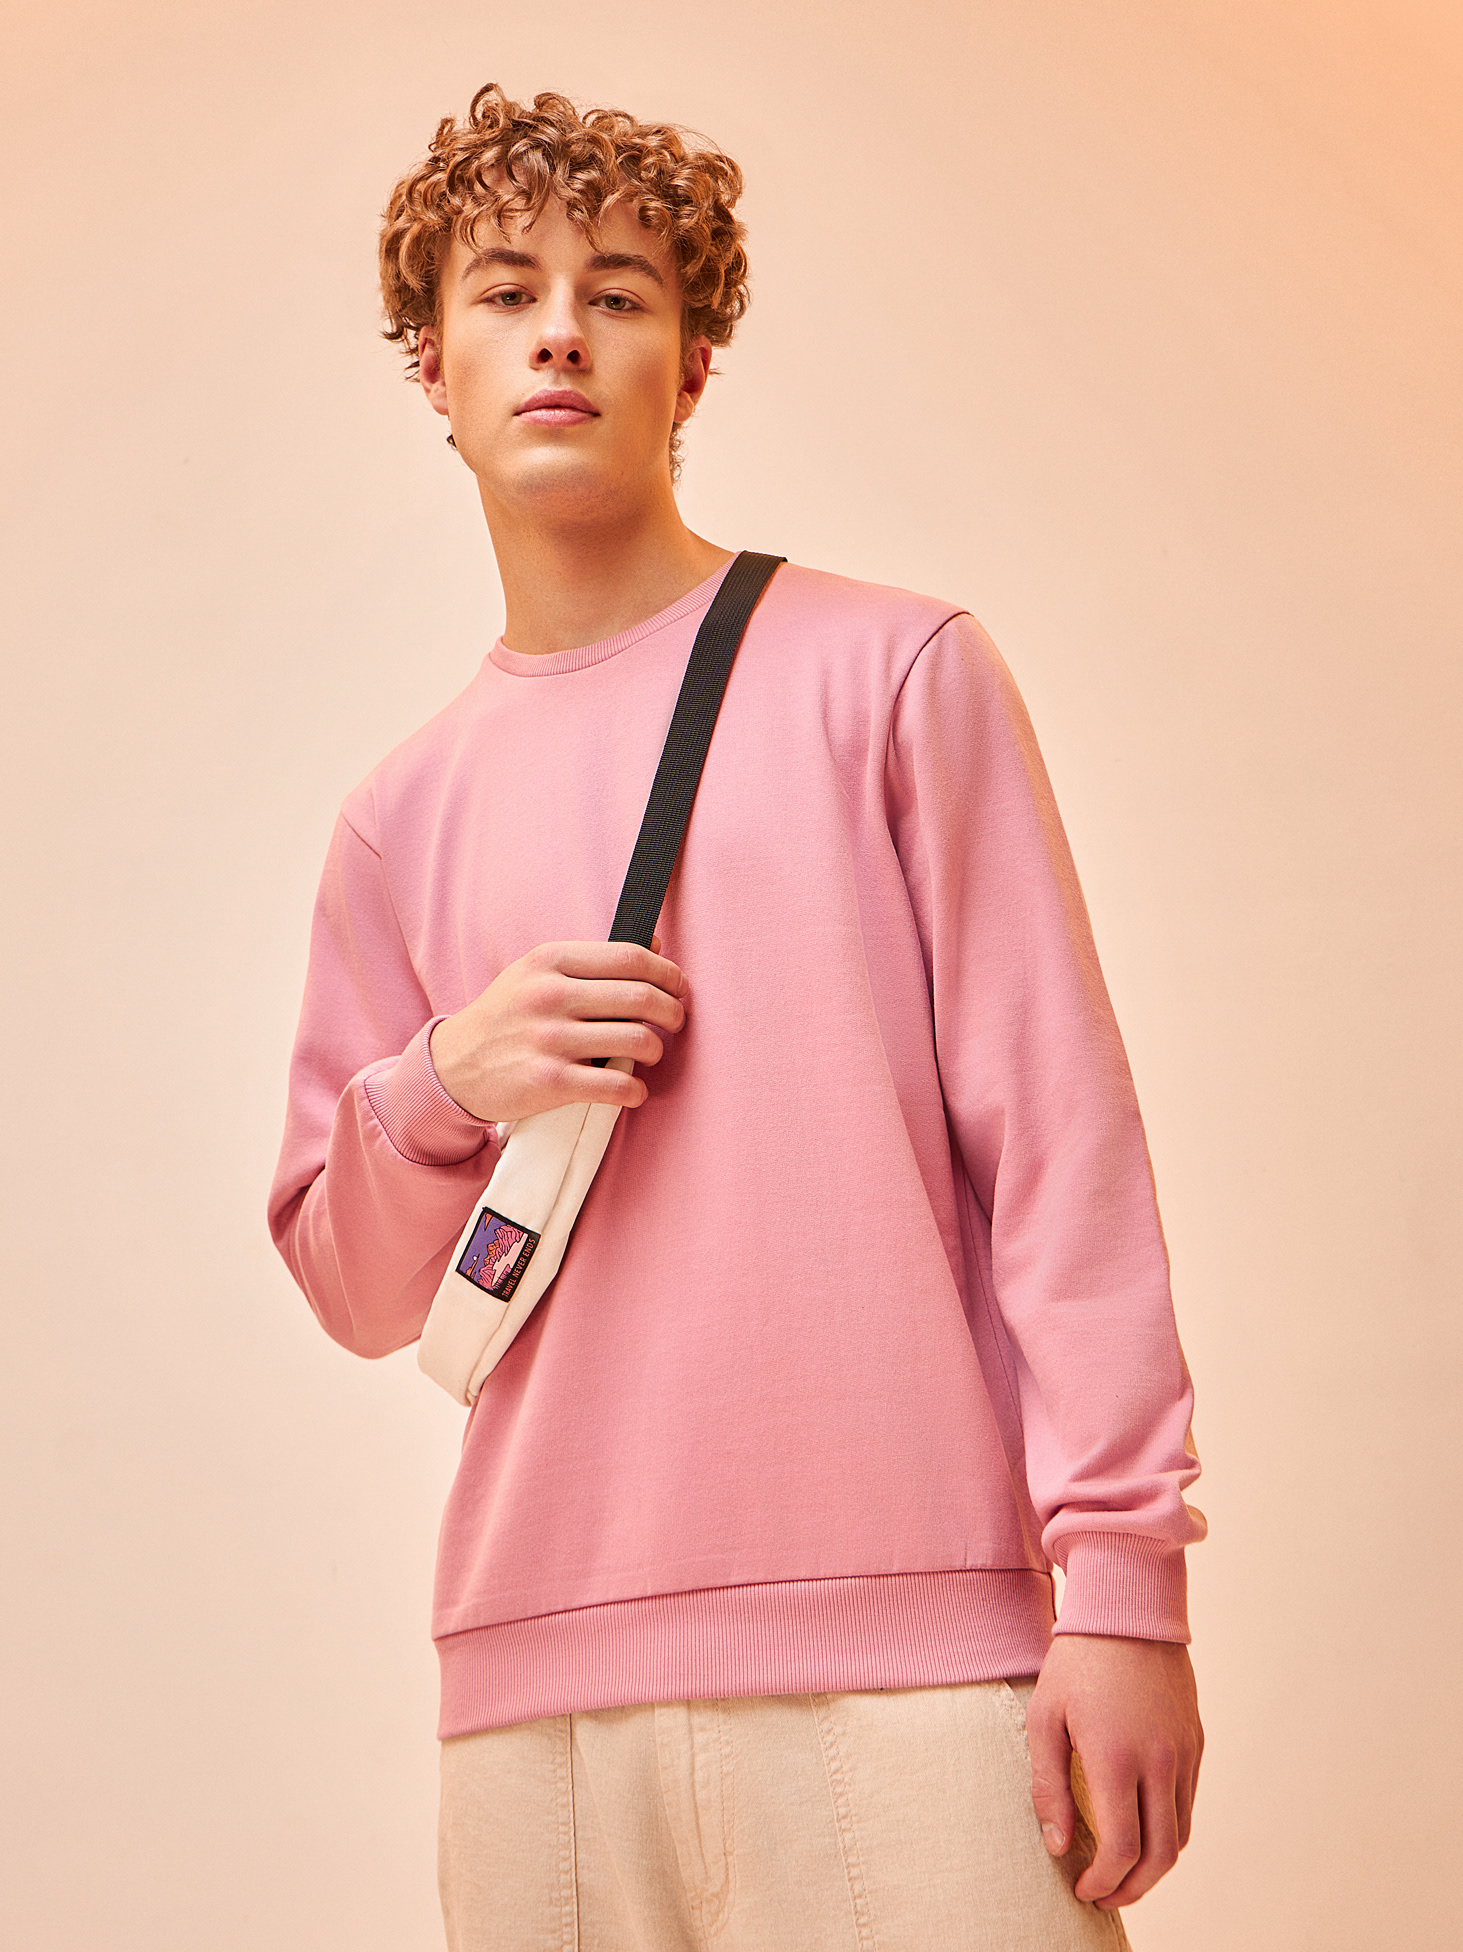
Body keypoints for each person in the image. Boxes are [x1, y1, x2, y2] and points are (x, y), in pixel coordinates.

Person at [268, 82, 1205, 1951]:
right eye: (506, 291)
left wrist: (1122, 1589)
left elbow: (1061, 1148)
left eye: (616, 295)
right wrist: (450, 1078)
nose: (558, 331)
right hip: (534, 1700)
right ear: (433, 369)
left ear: (689, 366)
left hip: (910, 1663)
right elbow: (355, 1287)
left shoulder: (894, 671)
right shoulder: (397, 815)